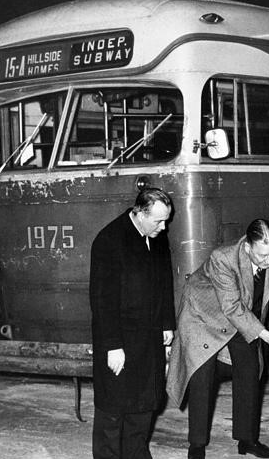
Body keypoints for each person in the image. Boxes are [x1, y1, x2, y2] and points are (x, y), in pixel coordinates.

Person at [166, 219, 269, 459]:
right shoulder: (224, 257)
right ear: (248, 248)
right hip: (204, 315)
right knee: (203, 375)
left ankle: (247, 440)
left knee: (250, 369)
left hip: (243, 315)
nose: (268, 261)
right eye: (262, 256)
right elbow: (231, 307)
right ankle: (196, 446)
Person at [89, 187, 176, 459]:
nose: (164, 227)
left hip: (149, 336)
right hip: (120, 339)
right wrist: (112, 346)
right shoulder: (109, 240)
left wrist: (166, 324)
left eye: (166, 220)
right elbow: (102, 301)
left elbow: (165, 284)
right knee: (113, 409)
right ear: (139, 213)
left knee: (144, 404)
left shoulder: (157, 237)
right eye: (158, 221)